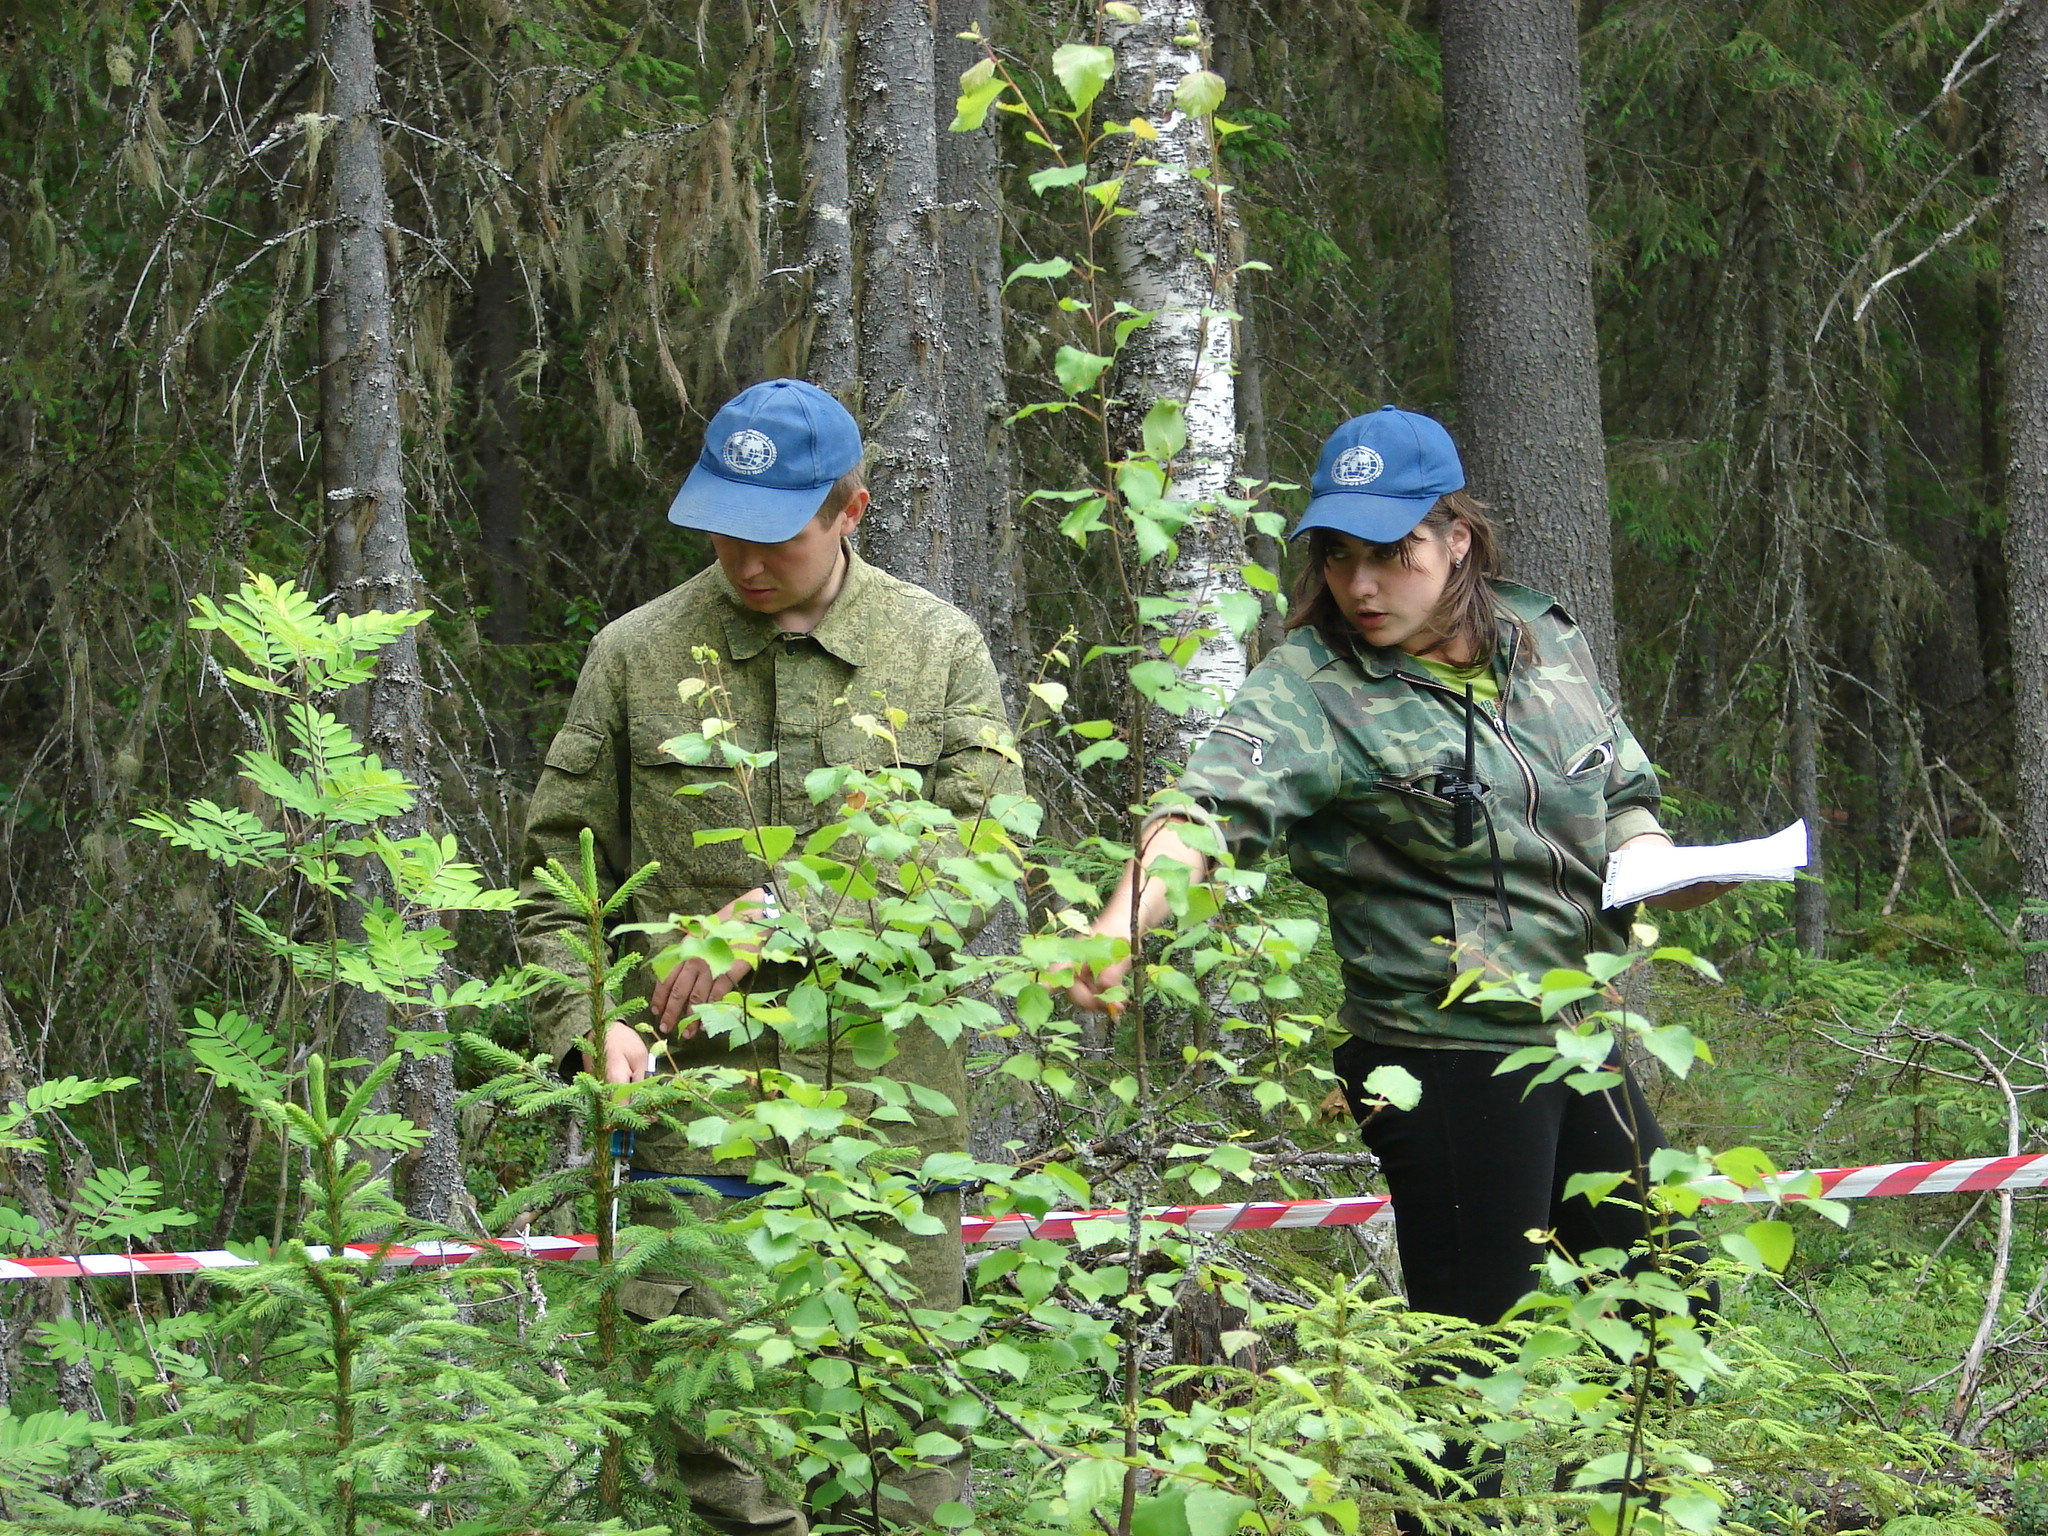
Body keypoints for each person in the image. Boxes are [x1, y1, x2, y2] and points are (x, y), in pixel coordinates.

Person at [1069, 405, 1728, 1515]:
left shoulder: (1537, 637)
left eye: (1390, 554)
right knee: (1466, 1366)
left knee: (1666, 1302)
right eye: (1336, 557)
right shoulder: (1313, 687)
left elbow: (1617, 790)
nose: (1358, 584)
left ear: (1455, 539)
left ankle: (1608, 1505)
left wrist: (1654, 863)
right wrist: (1119, 920)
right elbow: (1202, 809)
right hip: (1440, 1051)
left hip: (1569, 1030)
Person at [518, 377, 1021, 1535]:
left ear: (850, 510)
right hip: (697, 1113)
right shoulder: (635, 655)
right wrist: (582, 1021)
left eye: (775, 536)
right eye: (723, 529)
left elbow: (982, 852)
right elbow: (558, 886)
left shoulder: (937, 649)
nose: (744, 561)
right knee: (719, 1442)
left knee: (902, 1445)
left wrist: (784, 910)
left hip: (889, 1119)